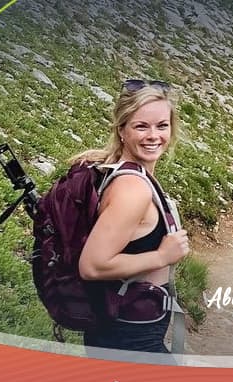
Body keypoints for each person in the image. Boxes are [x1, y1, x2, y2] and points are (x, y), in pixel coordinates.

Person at [73, 79, 190, 354]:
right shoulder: (132, 190)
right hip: (129, 334)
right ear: (122, 130)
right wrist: (161, 257)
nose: (154, 136)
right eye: (141, 126)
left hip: (123, 322)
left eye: (162, 126)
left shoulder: (127, 173)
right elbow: (92, 266)